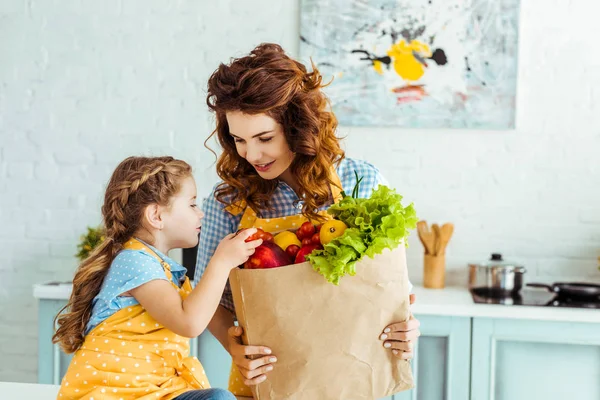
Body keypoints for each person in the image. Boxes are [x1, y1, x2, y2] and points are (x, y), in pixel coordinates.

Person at [194, 43, 421, 397]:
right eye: (239, 140)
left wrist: (408, 331)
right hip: (269, 384)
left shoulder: (361, 181)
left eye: (264, 138)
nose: (252, 154)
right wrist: (235, 348)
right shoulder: (228, 202)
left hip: (356, 381)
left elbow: (394, 288)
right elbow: (208, 303)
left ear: (298, 126)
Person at [52, 156, 262, 400]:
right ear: (156, 216)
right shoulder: (134, 261)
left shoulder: (158, 267)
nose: (201, 214)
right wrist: (222, 261)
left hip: (156, 393)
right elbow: (190, 323)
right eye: (192, 204)